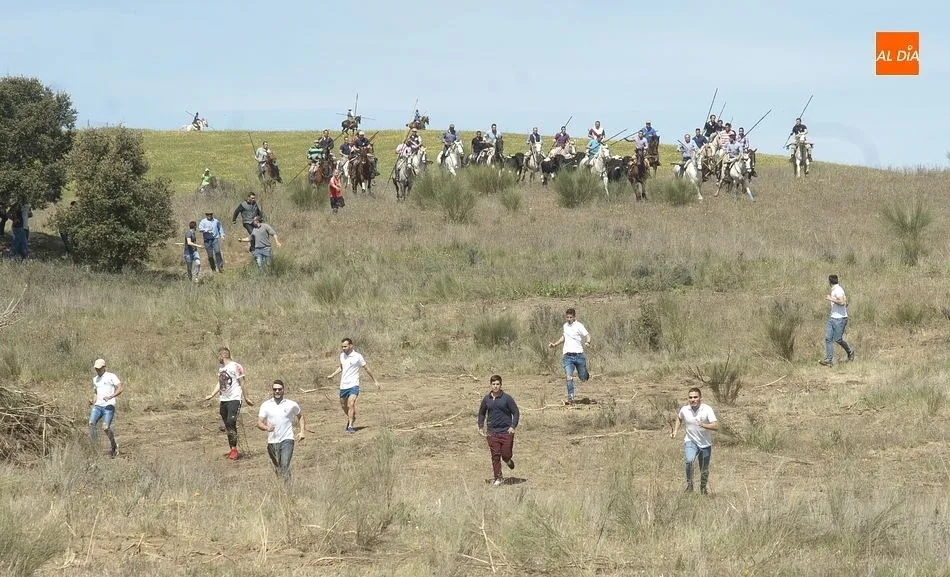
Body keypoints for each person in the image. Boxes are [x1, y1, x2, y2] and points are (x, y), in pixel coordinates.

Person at [204, 347, 253, 460]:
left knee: (231, 422)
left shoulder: (236, 366)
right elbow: (220, 383)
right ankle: (232, 448)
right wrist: (212, 394)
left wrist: (246, 397)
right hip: (223, 400)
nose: (218, 359)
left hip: (234, 399)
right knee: (227, 425)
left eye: (218, 356)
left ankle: (234, 450)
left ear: (222, 355)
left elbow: (242, 382)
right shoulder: (221, 368)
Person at [326, 337, 380, 434]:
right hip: (343, 385)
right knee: (344, 406)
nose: (343, 348)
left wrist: (375, 380)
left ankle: (350, 425)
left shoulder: (357, 356)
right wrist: (332, 375)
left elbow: (367, 368)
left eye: (345, 346)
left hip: (354, 385)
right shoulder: (342, 355)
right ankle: (351, 417)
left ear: (351, 346)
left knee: (351, 404)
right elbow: (342, 367)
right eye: (342, 347)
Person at [257, 379, 305, 485]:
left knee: (285, 464)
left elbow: (300, 416)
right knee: (278, 467)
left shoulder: (291, 404)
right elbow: (259, 422)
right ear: (272, 390)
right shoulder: (266, 405)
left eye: (279, 389)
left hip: (287, 439)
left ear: (283, 390)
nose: (277, 391)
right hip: (272, 442)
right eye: (275, 389)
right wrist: (266, 428)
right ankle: (281, 486)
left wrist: (302, 432)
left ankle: (288, 489)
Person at [671, 387, 719, 494]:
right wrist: (675, 431)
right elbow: (679, 418)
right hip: (690, 440)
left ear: (700, 397)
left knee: (704, 469)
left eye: (695, 397)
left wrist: (703, 425)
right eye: (691, 397)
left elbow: (716, 426)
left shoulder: (707, 409)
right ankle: (690, 486)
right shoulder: (685, 409)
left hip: (705, 443)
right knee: (689, 461)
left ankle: (703, 488)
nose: (693, 400)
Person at [477, 375, 520, 487]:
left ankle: (508, 460)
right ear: (490, 385)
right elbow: (481, 413)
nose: (495, 386)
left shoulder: (507, 398)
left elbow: (516, 412)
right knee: (495, 455)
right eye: (493, 384)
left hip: (506, 431)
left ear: (501, 385)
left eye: (497, 384)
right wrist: (480, 426)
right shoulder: (487, 399)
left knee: (505, 454)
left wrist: (513, 426)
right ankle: (498, 477)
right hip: (492, 432)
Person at [548, 308, 591, 405]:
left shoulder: (579, 326)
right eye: (567, 317)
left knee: (583, 377)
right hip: (568, 356)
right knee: (568, 377)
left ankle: (585, 374)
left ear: (574, 317)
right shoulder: (565, 326)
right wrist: (555, 344)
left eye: (571, 317)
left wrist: (588, 342)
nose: (569, 319)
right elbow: (564, 337)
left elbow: (587, 335)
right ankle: (571, 398)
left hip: (579, 355)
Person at [89, 358, 123, 457]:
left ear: (104, 367)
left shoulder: (111, 376)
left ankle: (114, 446)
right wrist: (92, 400)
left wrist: (111, 396)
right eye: (96, 368)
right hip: (98, 406)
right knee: (91, 423)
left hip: (109, 405)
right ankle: (95, 447)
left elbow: (120, 388)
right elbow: (96, 392)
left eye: (99, 368)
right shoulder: (95, 379)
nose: (98, 370)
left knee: (106, 427)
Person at [821, 274, 855, 366]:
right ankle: (829, 360)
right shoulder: (835, 289)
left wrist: (830, 299)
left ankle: (850, 351)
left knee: (838, 339)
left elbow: (842, 302)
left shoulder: (838, 290)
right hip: (832, 317)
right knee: (828, 338)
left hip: (840, 319)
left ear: (829, 281)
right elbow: (845, 303)